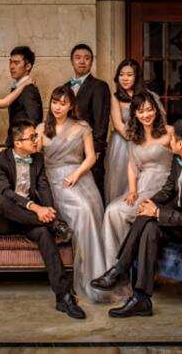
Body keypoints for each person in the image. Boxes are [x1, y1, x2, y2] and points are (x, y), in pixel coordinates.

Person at [91, 118, 182, 318]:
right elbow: (168, 189)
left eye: (172, 138)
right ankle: (141, 298)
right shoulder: (179, 160)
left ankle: (120, 270)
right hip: (177, 220)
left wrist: (158, 212)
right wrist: (149, 203)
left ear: (180, 144)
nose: (168, 140)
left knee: (150, 218)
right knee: (148, 223)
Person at [0, 118, 84, 319]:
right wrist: (36, 208)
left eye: (36, 136)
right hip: (0, 219)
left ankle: (63, 297)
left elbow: (44, 187)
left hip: (27, 220)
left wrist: (49, 210)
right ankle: (56, 226)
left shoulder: (37, 159)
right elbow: (5, 191)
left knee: (44, 233)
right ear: (18, 143)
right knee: (2, 201)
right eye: (32, 137)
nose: (37, 140)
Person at [37, 84, 110, 303]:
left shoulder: (82, 127)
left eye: (63, 103)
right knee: (81, 210)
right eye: (54, 102)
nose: (57, 107)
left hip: (78, 176)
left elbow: (91, 158)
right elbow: (33, 155)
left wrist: (76, 175)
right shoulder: (41, 128)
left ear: (71, 106)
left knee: (87, 209)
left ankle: (94, 277)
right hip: (51, 179)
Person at [102, 90, 172, 263]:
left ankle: (128, 262)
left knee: (122, 212)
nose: (146, 115)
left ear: (156, 110)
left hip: (163, 186)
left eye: (149, 110)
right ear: (135, 114)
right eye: (141, 111)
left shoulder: (169, 132)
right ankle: (117, 264)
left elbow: (181, 161)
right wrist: (132, 190)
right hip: (142, 184)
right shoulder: (135, 137)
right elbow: (132, 166)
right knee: (112, 210)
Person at [68, 44, 112, 197]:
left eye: (86, 58)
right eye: (78, 58)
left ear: (91, 62)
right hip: (69, 149)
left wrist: (97, 148)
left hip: (90, 149)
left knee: (93, 190)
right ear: (71, 61)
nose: (82, 61)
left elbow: (102, 118)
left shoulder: (100, 86)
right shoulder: (65, 87)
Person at [105, 59, 144, 203]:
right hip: (122, 143)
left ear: (137, 77)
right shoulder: (115, 97)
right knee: (120, 181)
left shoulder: (146, 96)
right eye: (121, 75)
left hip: (144, 141)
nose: (125, 78)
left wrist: (145, 142)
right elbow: (118, 124)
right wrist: (136, 140)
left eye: (129, 75)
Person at [8, 46, 44, 124]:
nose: (11, 67)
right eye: (10, 62)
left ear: (28, 66)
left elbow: (34, 122)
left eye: (16, 63)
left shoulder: (29, 90)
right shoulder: (18, 87)